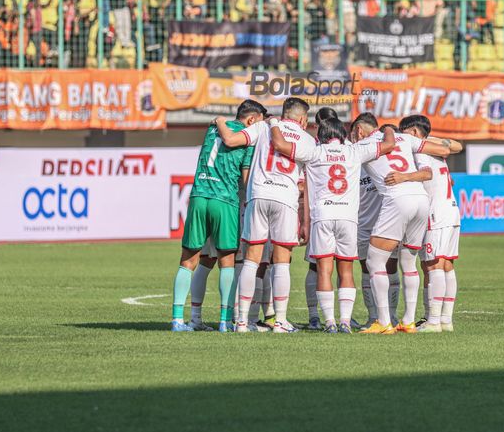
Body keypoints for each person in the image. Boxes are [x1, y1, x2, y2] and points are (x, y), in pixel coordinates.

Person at [270, 118, 396, 333]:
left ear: (320, 136)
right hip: (348, 217)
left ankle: (329, 322)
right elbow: (389, 145)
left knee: (324, 271)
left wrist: (274, 123)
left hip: (323, 216)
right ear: (343, 135)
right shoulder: (354, 152)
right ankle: (345, 322)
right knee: (346, 271)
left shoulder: (314, 152)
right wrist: (390, 130)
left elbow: (280, 144)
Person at [215, 97, 316, 333]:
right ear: (302, 118)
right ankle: (279, 321)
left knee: (251, 259)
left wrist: (219, 120)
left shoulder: (262, 126)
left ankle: (241, 321)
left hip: (258, 195)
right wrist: (305, 219)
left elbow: (230, 140)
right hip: (285, 199)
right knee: (281, 262)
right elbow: (304, 182)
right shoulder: (308, 140)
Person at [169, 100, 267, 332]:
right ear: (251, 120)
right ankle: (225, 321)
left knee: (189, 260)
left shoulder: (212, 129)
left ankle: (178, 320)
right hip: (225, 200)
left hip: (199, 196)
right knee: (227, 262)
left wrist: (220, 121)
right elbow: (244, 179)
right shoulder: (247, 139)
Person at [351, 115, 452, 334]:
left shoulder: (361, 147)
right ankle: (407, 321)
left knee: (374, 261)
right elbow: (443, 151)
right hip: (420, 199)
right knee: (408, 262)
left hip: (397, 200)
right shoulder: (404, 139)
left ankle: (384, 321)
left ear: (359, 131)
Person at [398, 115, 463, 333]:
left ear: (414, 133)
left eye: (404, 132)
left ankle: (433, 321)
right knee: (445, 265)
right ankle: (445, 319)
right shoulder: (433, 147)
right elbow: (455, 146)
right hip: (451, 210)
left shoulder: (420, 151)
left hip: (436, 213)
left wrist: (403, 177)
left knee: (432, 264)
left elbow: (425, 174)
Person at [304, 107, 339, 330]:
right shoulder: (314, 147)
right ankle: (317, 315)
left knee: (323, 266)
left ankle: (321, 316)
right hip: (327, 211)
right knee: (321, 266)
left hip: (324, 212)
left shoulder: (314, 147)